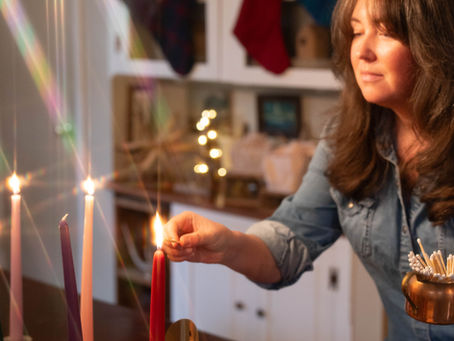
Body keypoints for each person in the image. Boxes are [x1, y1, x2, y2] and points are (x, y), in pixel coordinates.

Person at [162, 0, 454, 339]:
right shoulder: (348, 139)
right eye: (357, 31)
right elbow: (292, 239)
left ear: (435, 40)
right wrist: (228, 244)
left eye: (386, 32)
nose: (362, 51)